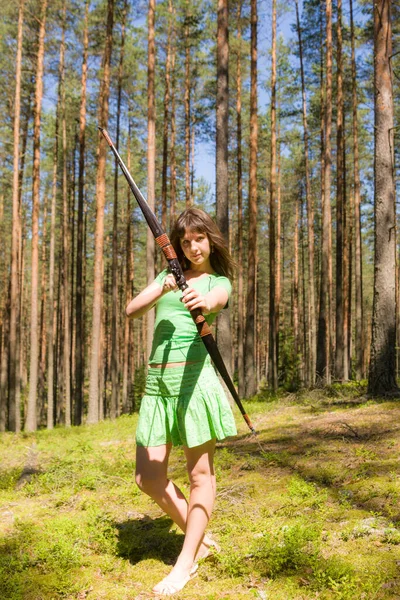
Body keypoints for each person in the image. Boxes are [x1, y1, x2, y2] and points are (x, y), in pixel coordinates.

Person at [126, 207, 237, 595]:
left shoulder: (216, 281)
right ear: (177, 244)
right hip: (158, 384)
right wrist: (165, 287)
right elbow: (131, 309)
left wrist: (203, 303)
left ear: (211, 240)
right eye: (185, 241)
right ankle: (200, 540)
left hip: (193, 383)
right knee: (148, 477)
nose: (193, 247)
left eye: (199, 239)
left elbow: (219, 298)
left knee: (199, 476)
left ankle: (185, 562)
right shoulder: (165, 277)